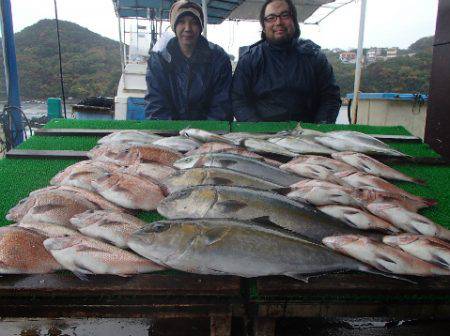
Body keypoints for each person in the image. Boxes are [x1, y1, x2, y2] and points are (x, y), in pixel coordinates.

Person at [231, 0, 341, 123]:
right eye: (271, 18)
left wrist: (319, 128)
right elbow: (238, 100)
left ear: (293, 20)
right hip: (260, 135)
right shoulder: (249, 59)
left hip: (308, 133)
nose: (278, 22)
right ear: (263, 26)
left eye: (284, 15)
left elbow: (330, 97)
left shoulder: (314, 56)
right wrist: (259, 130)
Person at [144, 0, 232, 120]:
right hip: (170, 134)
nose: (187, 28)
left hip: (207, 134)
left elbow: (221, 107)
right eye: (181, 22)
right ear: (174, 26)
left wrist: (199, 135)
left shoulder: (219, 58)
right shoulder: (158, 59)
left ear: (201, 27)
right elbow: (156, 106)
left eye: (194, 23)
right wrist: (173, 135)